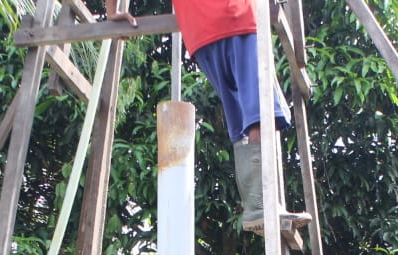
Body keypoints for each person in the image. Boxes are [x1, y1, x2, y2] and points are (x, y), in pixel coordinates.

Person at [113, 0, 306, 231]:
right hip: (236, 16)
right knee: (263, 111)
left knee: (239, 114)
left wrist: (112, 11)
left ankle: (257, 205)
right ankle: (260, 206)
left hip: (199, 36)